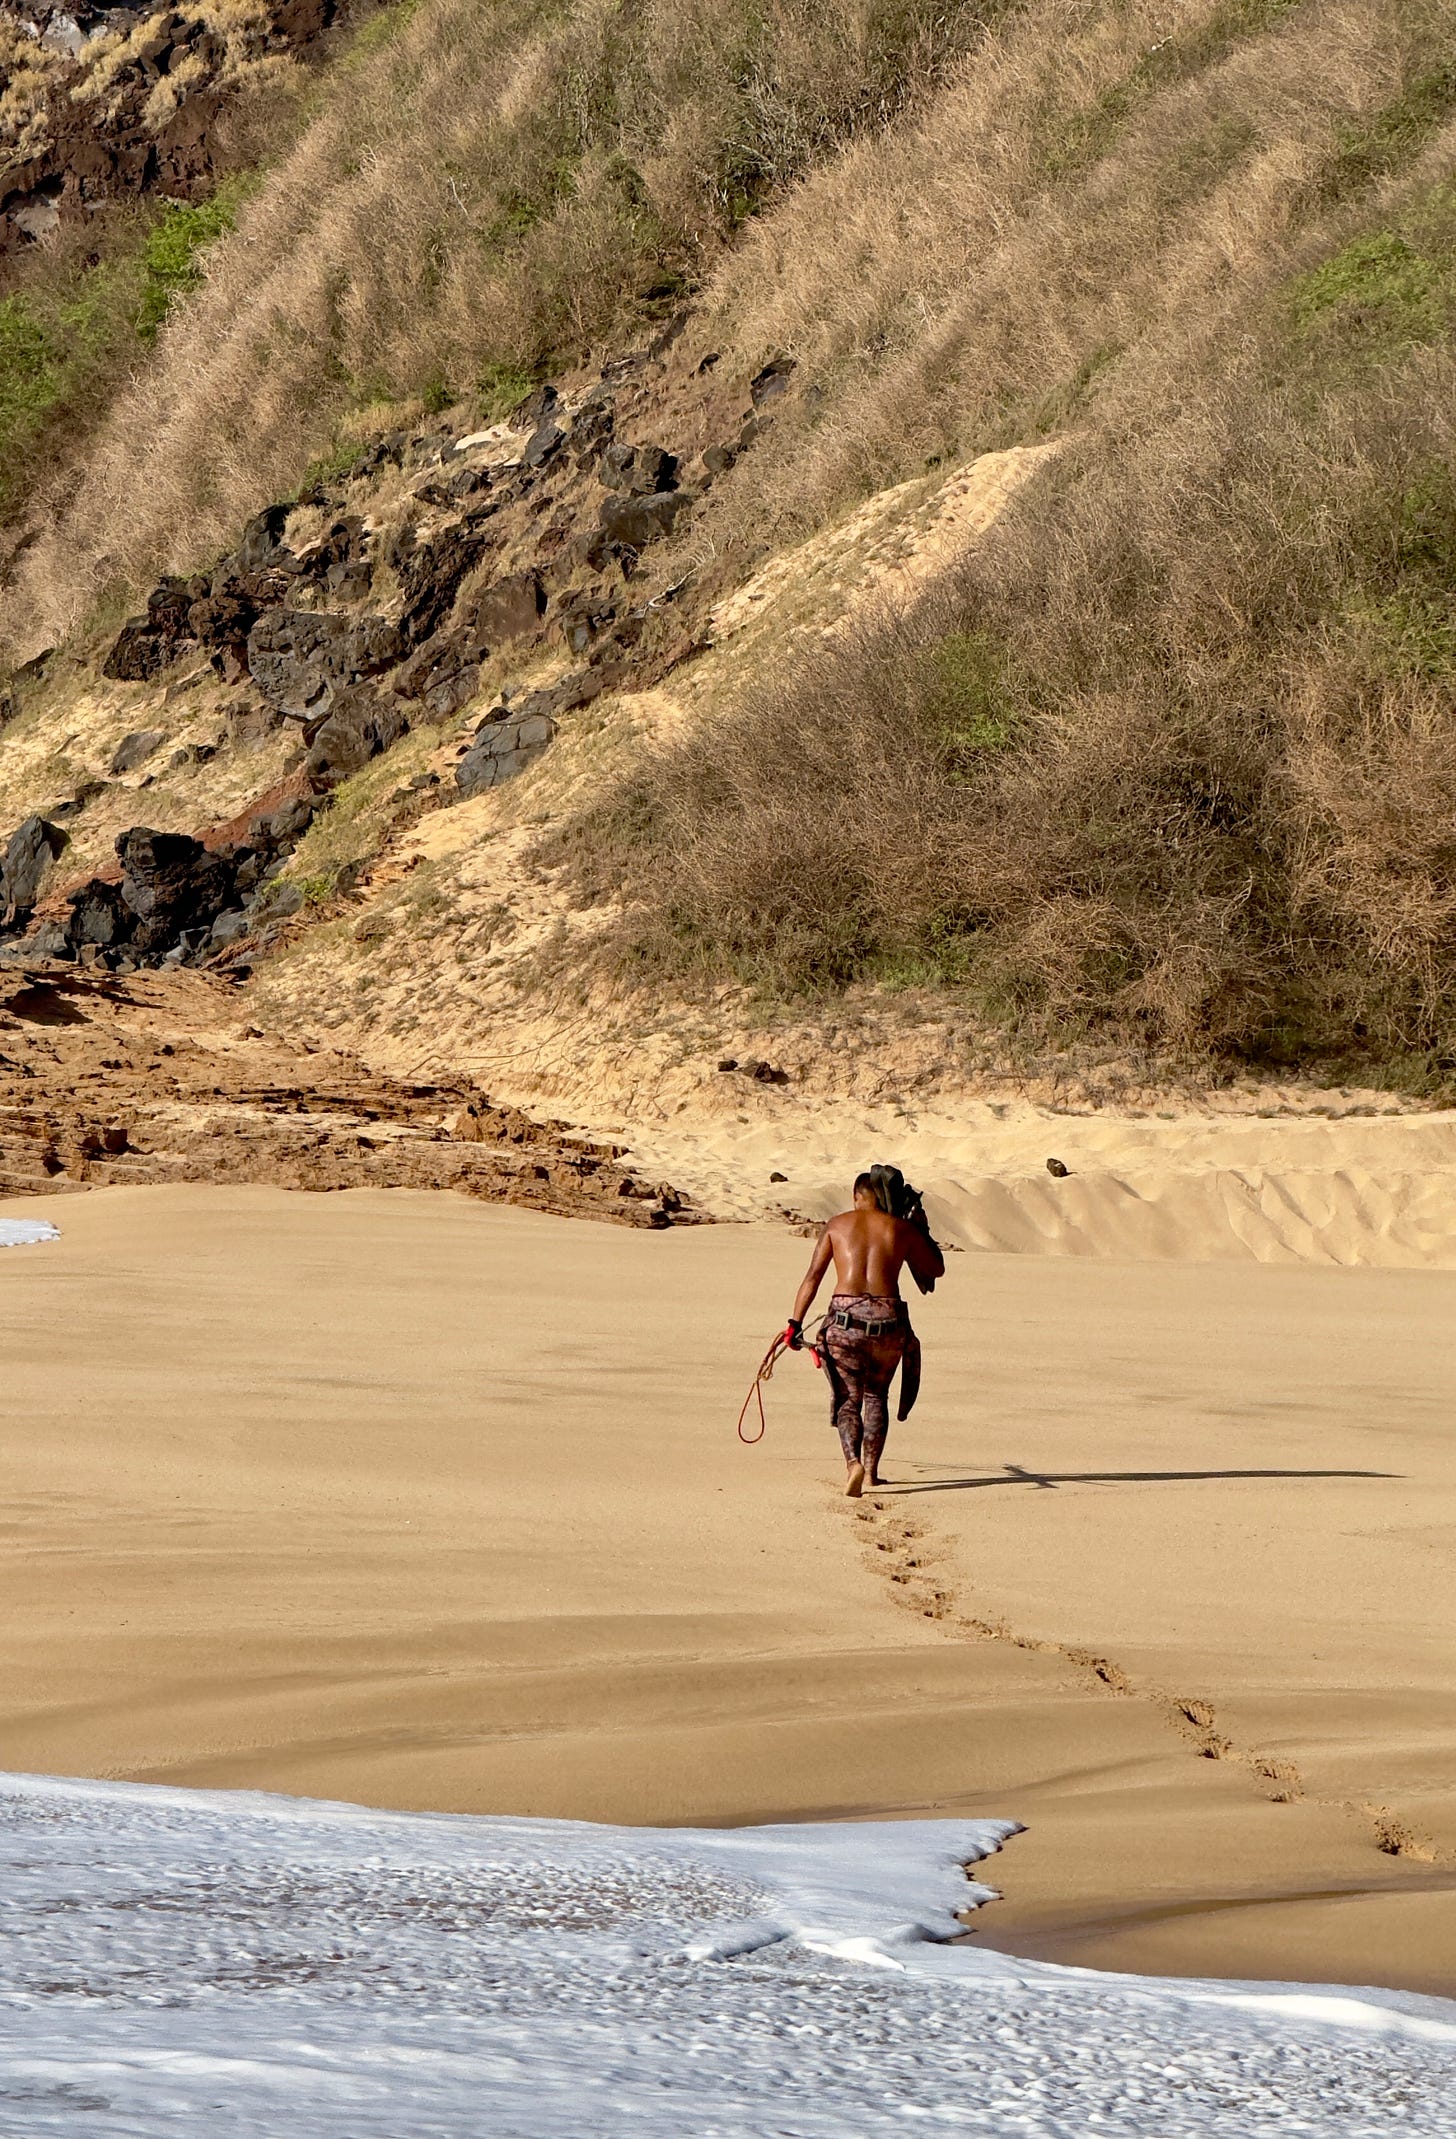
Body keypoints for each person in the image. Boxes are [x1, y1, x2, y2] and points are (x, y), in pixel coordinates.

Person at [785, 1168, 944, 1498]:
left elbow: (812, 1278)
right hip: (888, 1322)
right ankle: (871, 1472)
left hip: (844, 1322)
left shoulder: (837, 1225)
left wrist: (794, 1324)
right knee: (876, 1396)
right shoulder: (899, 1228)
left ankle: (852, 1463)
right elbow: (935, 1269)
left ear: (858, 1196)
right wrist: (919, 1228)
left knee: (848, 1401)